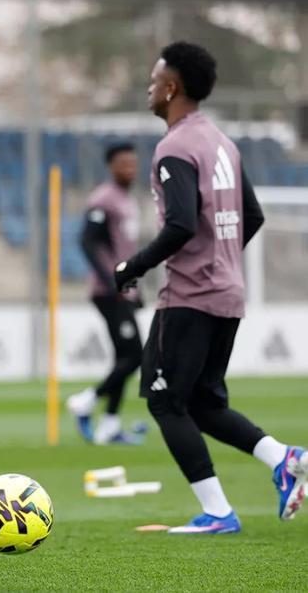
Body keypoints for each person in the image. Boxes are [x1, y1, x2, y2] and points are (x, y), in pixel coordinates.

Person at [113, 41, 307, 534]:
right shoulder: (222, 141)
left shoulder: (174, 147)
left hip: (190, 296)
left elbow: (179, 224)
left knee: (164, 400)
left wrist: (130, 266)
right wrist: (220, 260)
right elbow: (254, 215)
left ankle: (219, 512)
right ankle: (284, 458)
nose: (150, 87)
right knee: (203, 403)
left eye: (155, 79)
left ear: (171, 87)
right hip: (227, 292)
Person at [67, 143, 144, 445]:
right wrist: (112, 281)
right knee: (136, 355)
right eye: (123, 163)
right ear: (111, 166)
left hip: (124, 291)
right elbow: (87, 241)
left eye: (133, 163)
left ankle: (109, 425)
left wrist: (134, 288)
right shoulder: (103, 199)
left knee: (124, 357)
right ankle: (87, 400)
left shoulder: (127, 200)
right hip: (109, 292)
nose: (130, 169)